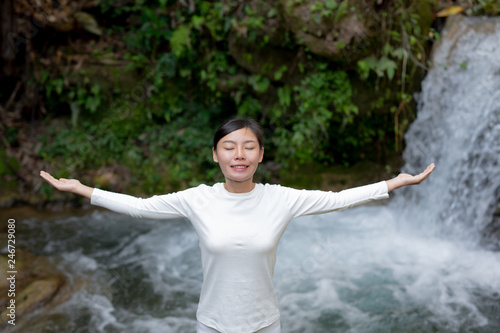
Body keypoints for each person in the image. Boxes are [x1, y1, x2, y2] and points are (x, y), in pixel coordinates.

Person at [40, 118, 435, 333]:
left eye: (248, 146)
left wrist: (393, 183)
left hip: (265, 323)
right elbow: (140, 208)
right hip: (212, 323)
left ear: (261, 155)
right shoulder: (198, 198)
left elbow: (337, 199)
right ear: (216, 155)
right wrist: (82, 189)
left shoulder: (282, 198)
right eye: (229, 147)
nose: (239, 154)